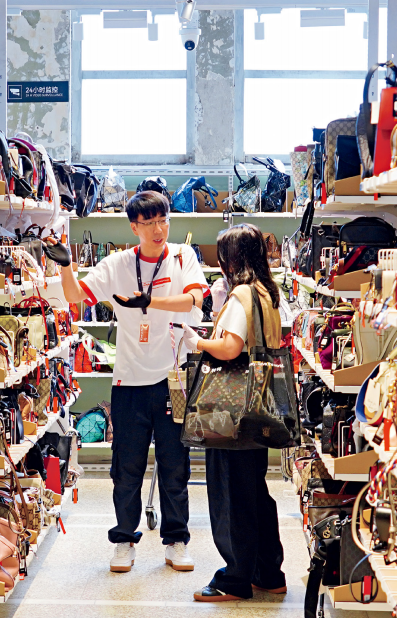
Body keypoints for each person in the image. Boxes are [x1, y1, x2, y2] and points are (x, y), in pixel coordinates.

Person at [54, 190, 208, 573]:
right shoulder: (118, 264)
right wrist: (65, 264)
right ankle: (124, 541)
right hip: (128, 383)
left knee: (175, 468)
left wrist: (149, 302)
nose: (159, 230)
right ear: (134, 227)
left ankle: (176, 541)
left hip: (174, 380)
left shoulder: (182, 256)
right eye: (149, 223)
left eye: (163, 220)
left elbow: (194, 301)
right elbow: (73, 295)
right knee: (126, 470)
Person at [181, 223, 287, 602]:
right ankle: (268, 573)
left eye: (223, 256)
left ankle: (235, 578)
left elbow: (230, 348)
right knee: (255, 492)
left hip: (231, 411)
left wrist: (197, 341)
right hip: (258, 404)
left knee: (231, 494)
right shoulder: (268, 293)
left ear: (234, 259)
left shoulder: (241, 294)